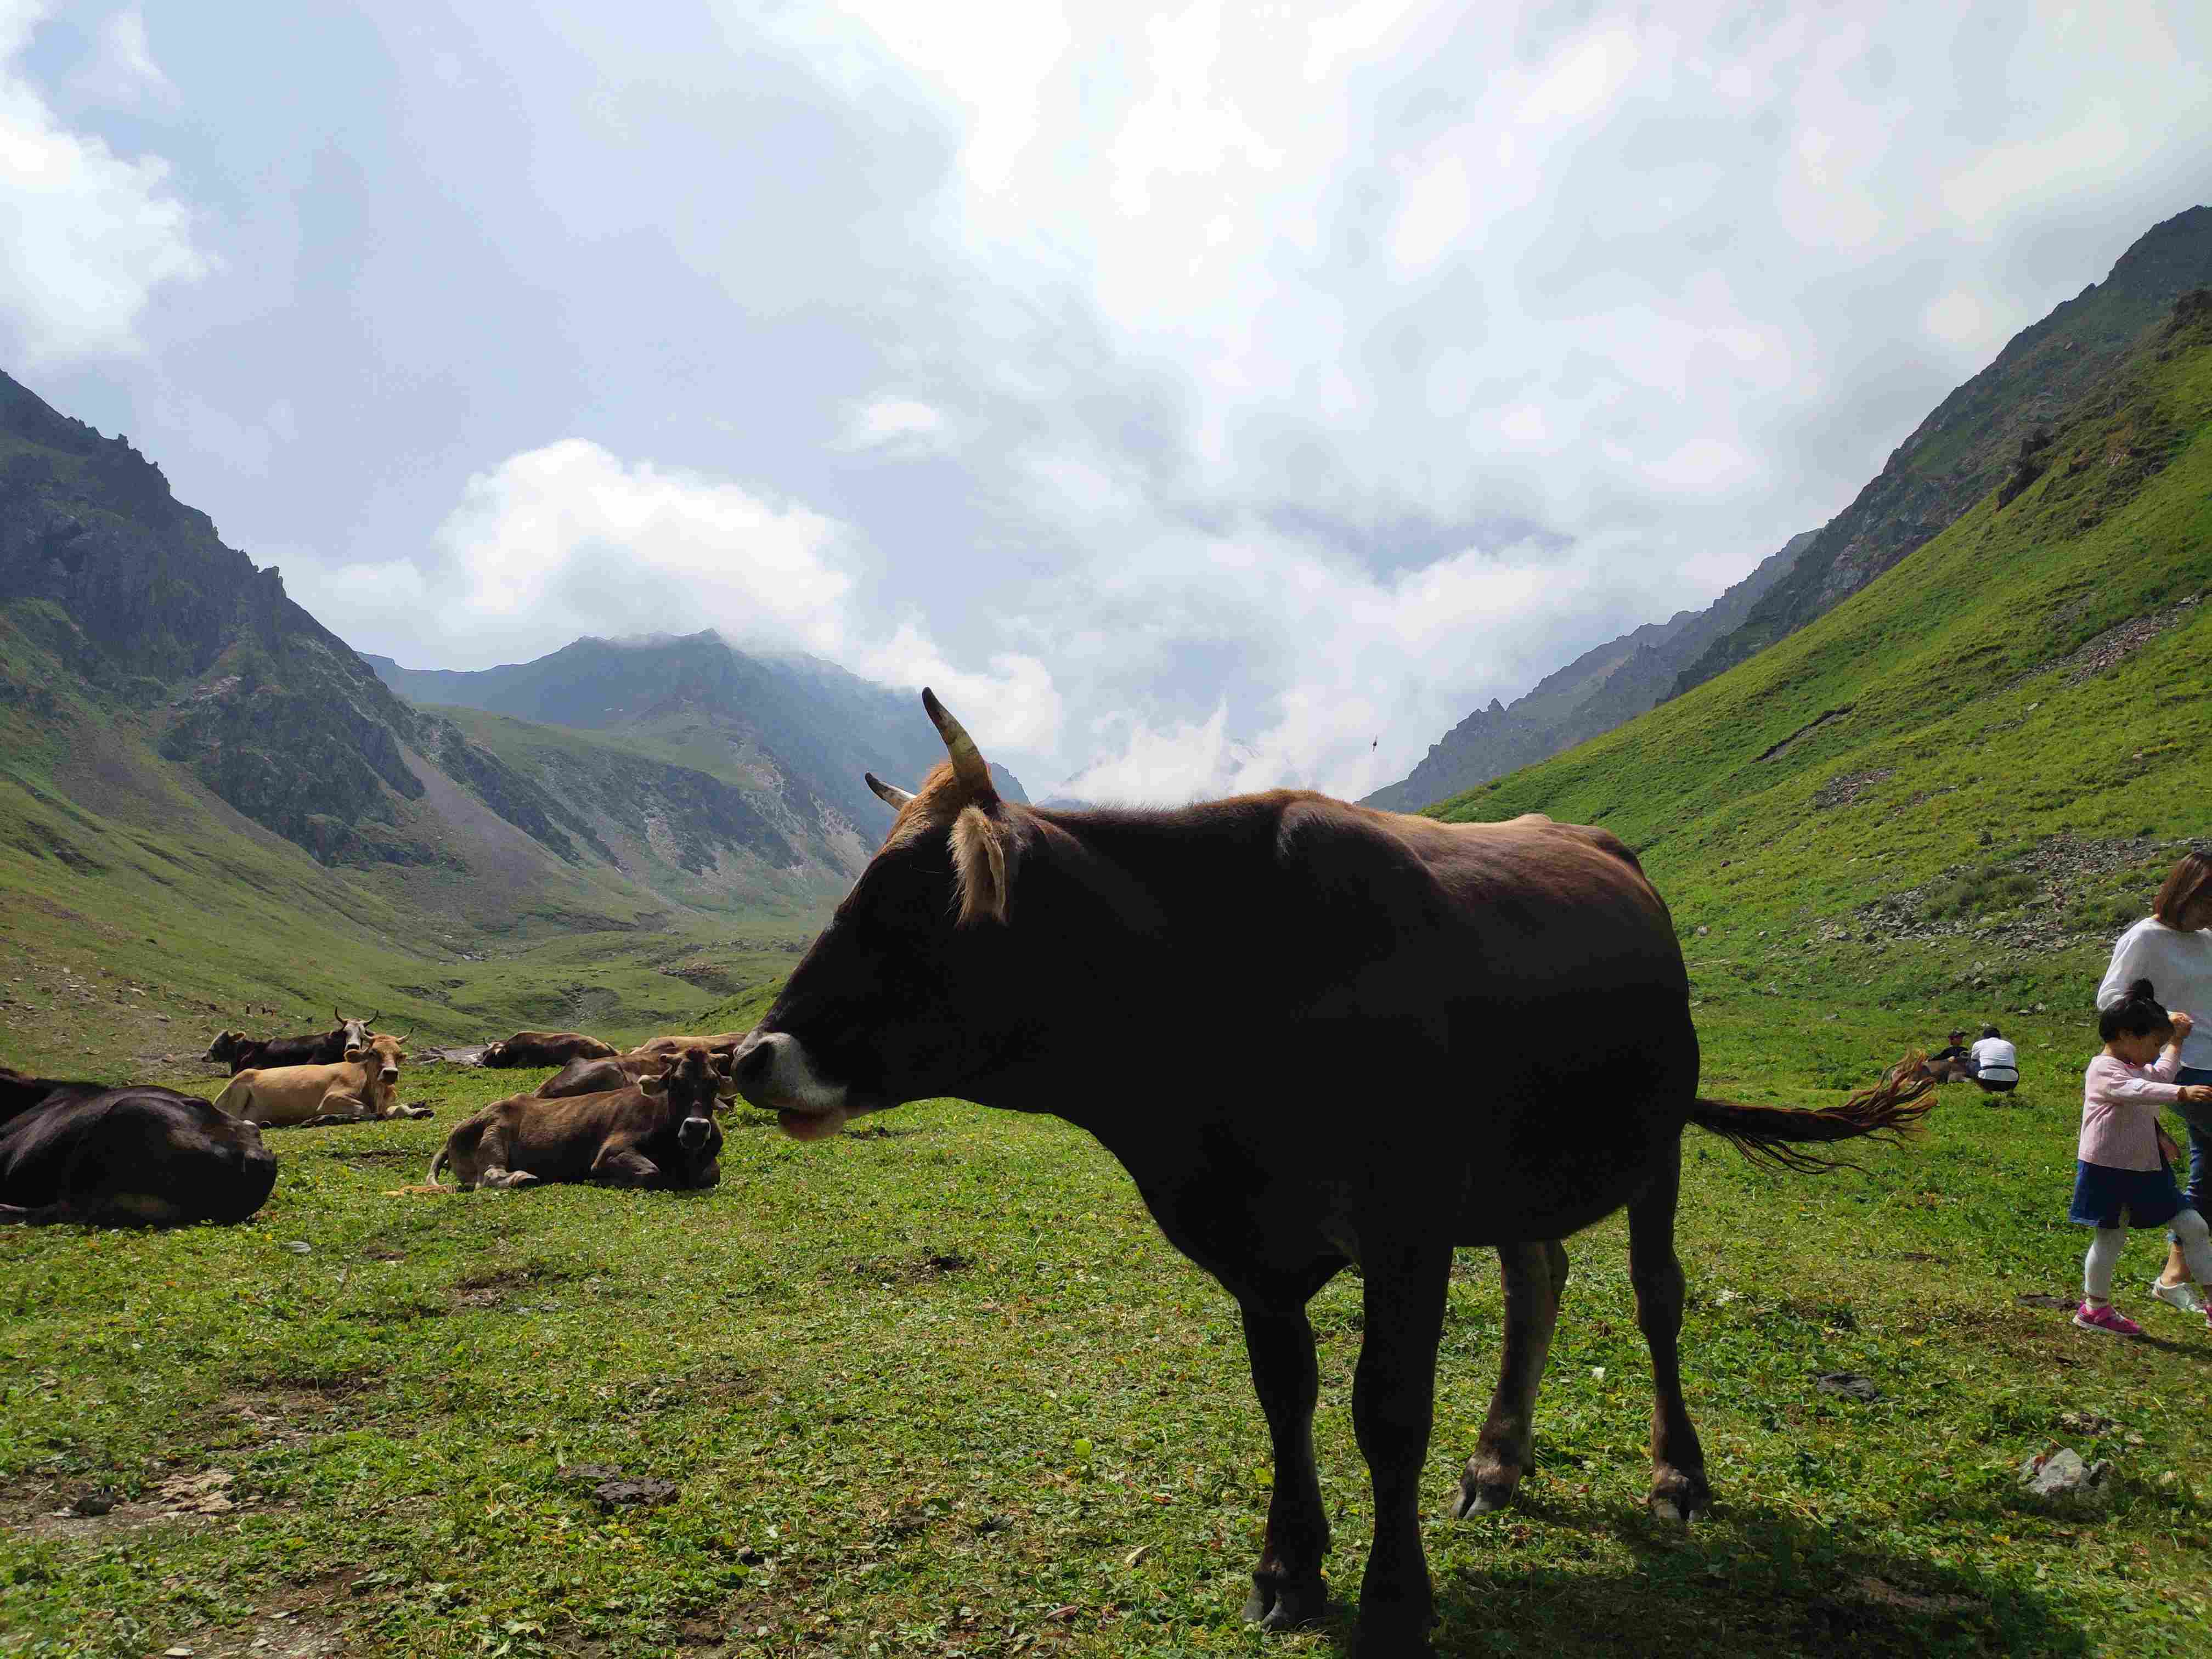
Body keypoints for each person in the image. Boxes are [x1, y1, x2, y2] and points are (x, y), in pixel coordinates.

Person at [2098, 849, 2212, 1308]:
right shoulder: (2146, 936)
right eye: (2206, 902)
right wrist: (2166, 1020)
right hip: (2179, 1060)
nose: (2210, 913)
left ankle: (2176, 1273)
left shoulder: (2207, 939)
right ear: (2182, 893)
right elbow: (2110, 998)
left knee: (2209, 1165)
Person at [2068, 980, 2212, 1334]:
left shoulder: (2136, 1065)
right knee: (2111, 1238)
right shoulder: (2104, 1069)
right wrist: (2180, 1092)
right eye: (2153, 1044)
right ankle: (2094, 1309)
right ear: (2126, 1035)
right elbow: (2136, 1090)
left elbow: (2159, 1075)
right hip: (2109, 1168)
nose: (2154, 1052)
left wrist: (2176, 1043)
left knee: (2195, 1227)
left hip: (2147, 1166)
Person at [1969, 1024, 2019, 1094]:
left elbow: (1974, 1060)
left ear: (1984, 1037)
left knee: (1972, 1063)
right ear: (1999, 1036)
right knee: (2014, 1066)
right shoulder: (2009, 1045)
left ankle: (1986, 1091)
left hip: (1987, 1082)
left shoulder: (1979, 1044)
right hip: (2010, 1083)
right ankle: (2010, 1092)